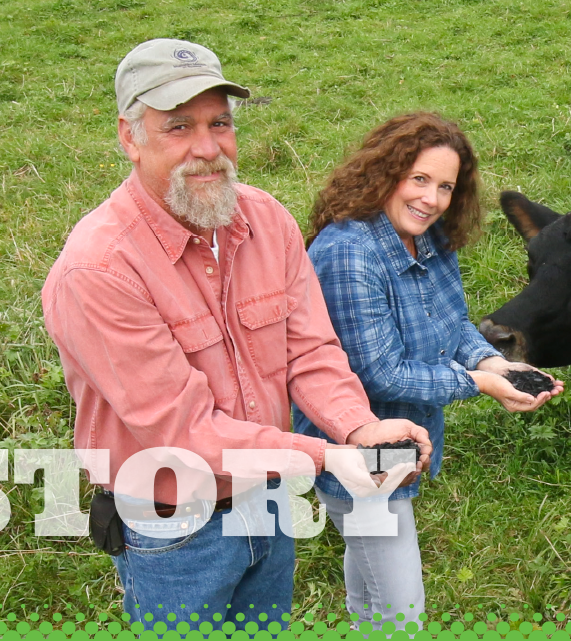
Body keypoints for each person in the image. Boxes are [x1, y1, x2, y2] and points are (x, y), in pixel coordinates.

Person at [39, 38, 427, 629]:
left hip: (267, 499)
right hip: (174, 528)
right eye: (178, 127)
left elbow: (310, 351)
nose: (207, 148)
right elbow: (183, 432)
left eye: (220, 122)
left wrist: (361, 425)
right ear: (128, 137)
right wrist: (332, 457)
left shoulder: (265, 219)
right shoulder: (98, 271)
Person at [294, 112, 565, 629]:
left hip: (403, 445)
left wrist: (492, 361)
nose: (431, 199)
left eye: (446, 186)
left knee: (371, 582)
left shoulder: (432, 236)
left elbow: (454, 322)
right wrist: (478, 382)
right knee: (403, 613)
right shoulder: (349, 252)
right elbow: (381, 374)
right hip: (360, 457)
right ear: (386, 173)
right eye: (419, 179)